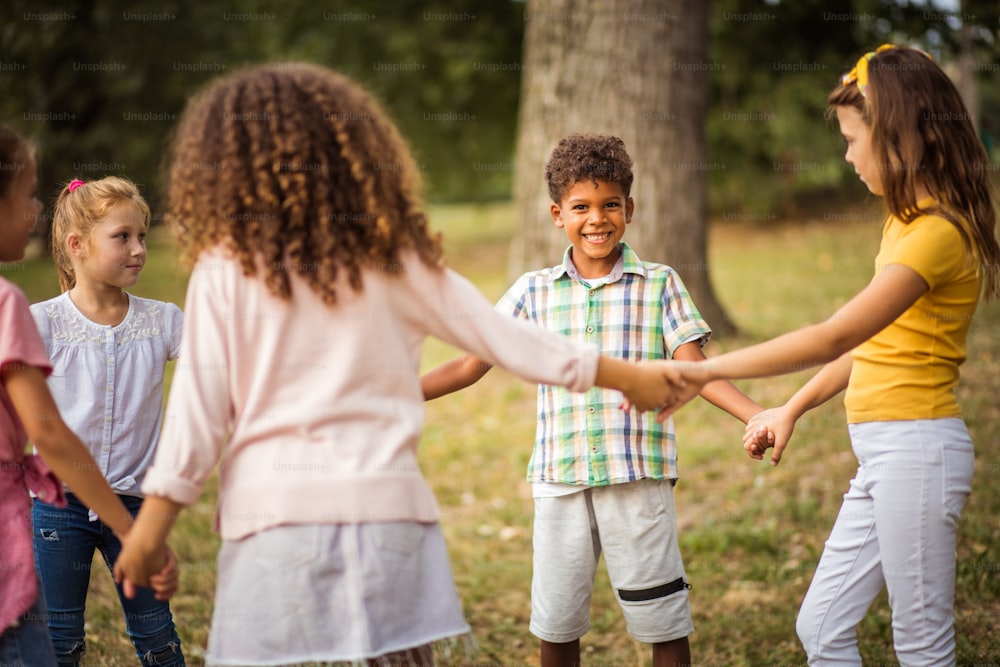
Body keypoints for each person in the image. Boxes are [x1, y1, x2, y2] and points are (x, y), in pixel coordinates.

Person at [110, 64, 684, 667]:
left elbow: (196, 417)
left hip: (271, 518)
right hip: (385, 517)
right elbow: (508, 340)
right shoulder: (392, 260)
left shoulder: (223, 272)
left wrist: (151, 528)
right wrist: (628, 375)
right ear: (354, 154)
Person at [663, 45, 1000, 666]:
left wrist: (703, 368)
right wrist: (790, 408)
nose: (846, 156)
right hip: (886, 454)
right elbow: (872, 345)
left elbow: (833, 336)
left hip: (917, 451)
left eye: (852, 139)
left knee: (923, 647)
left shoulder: (935, 233)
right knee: (820, 627)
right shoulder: (906, 223)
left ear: (895, 138)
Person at [421, 133, 768, 667]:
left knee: (663, 622)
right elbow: (472, 362)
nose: (597, 219)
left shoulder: (659, 284)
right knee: (557, 625)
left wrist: (755, 413)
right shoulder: (533, 291)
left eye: (610, 205)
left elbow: (696, 369)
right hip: (560, 480)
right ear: (558, 214)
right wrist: (398, 392)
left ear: (629, 208)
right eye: (581, 207)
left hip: (638, 479)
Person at [0, 127, 176, 666]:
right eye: (123, 237)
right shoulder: (39, 321)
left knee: (158, 636)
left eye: (142, 236)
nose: (140, 249)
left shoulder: (164, 321)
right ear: (77, 245)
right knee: (60, 640)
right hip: (59, 510)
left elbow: (231, 370)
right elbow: (45, 432)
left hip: (135, 505)